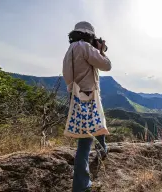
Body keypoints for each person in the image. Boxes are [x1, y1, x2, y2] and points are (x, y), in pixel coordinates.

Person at [62, 21, 111, 192]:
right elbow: (107, 65)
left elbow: (67, 76)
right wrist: (101, 51)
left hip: (75, 96)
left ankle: (103, 148)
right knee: (85, 142)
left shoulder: (70, 50)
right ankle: (81, 186)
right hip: (88, 96)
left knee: (97, 122)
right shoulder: (85, 47)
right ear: (89, 35)